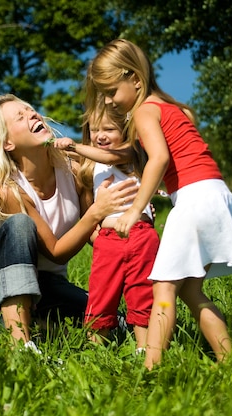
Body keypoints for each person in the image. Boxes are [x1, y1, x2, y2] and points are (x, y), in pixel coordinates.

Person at [85, 39, 232, 369]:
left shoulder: (146, 111)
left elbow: (160, 158)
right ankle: (229, 360)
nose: (109, 101)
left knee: (162, 288)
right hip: (216, 194)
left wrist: (136, 209)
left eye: (111, 91)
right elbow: (181, 156)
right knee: (191, 291)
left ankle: (151, 368)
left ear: (135, 78)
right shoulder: (172, 107)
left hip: (193, 200)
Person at [0, 94, 138, 353]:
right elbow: (56, 252)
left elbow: (94, 232)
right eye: (20, 117)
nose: (32, 115)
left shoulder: (74, 171)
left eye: (31, 110)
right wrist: (95, 213)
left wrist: (133, 225)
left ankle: (40, 323)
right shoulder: (8, 190)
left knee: (116, 323)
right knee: (21, 224)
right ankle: (22, 346)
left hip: (48, 284)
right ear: (7, 143)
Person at [54, 102, 158, 351]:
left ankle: (145, 350)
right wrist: (55, 147)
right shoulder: (92, 163)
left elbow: (108, 155)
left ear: (125, 131)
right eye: (94, 129)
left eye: (109, 129)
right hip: (109, 239)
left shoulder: (130, 152)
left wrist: (74, 146)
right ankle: (97, 350)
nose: (100, 135)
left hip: (141, 236)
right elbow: (86, 161)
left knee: (141, 291)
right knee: (101, 293)